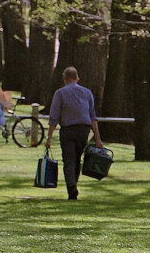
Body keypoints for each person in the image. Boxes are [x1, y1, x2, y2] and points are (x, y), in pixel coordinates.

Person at [45, 66, 103, 200]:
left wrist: (49, 137)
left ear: (64, 79)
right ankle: (74, 184)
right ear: (77, 78)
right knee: (77, 159)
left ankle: (71, 187)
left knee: (69, 160)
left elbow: (54, 117)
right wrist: (98, 139)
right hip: (84, 130)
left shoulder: (60, 93)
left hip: (67, 130)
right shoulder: (87, 93)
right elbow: (93, 117)